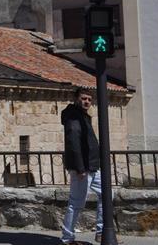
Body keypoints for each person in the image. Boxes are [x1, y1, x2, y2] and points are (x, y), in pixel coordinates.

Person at [61, 87, 103, 244]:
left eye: (90, 100)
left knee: (107, 195)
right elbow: (74, 143)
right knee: (76, 203)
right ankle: (67, 238)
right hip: (83, 168)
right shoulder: (73, 117)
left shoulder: (82, 116)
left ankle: (101, 232)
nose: (87, 102)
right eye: (84, 98)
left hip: (92, 165)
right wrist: (80, 168)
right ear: (76, 98)